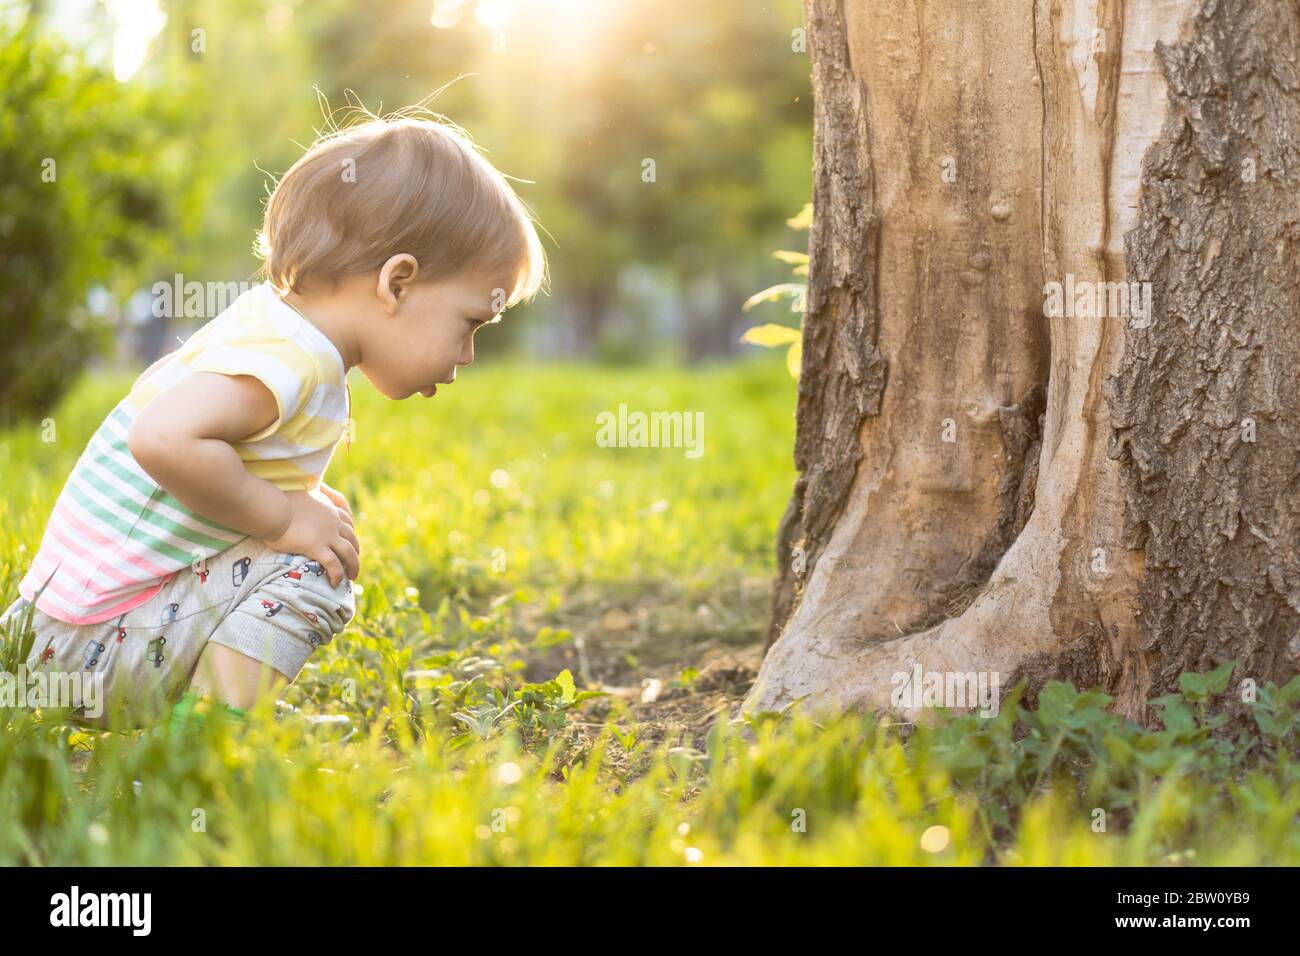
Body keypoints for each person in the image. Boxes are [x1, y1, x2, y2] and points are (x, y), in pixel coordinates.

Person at [0, 110, 548, 735]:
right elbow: (161, 438)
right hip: (91, 643)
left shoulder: (274, 330)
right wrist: (284, 518)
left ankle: (221, 704)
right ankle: (206, 738)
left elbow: (221, 461)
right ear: (397, 282)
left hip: (48, 642)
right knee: (319, 567)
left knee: (311, 534)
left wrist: (292, 500)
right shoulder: (294, 360)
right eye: (471, 322)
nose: (467, 355)